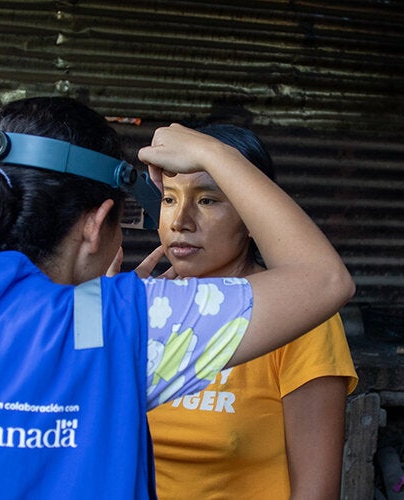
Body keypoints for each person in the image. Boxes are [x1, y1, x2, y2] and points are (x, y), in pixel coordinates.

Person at [0, 97, 354, 498]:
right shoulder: (124, 320)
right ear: (96, 225)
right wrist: (211, 150)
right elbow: (324, 279)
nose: (179, 222)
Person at [139, 124, 358, 499]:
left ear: (253, 217)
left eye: (207, 200)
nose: (180, 222)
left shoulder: (302, 318)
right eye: (170, 199)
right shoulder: (139, 306)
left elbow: (316, 492)